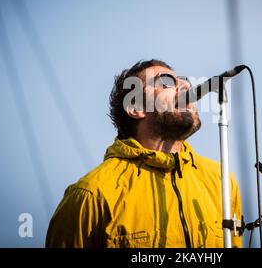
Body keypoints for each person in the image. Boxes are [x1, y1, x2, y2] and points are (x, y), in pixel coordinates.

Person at [45, 59, 243, 248]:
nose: (184, 87)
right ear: (136, 107)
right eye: (166, 82)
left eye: (185, 82)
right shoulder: (90, 195)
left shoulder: (222, 181)